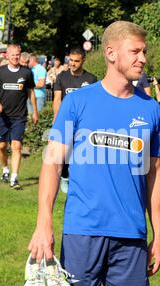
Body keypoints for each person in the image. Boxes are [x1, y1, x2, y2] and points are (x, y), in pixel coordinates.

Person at [27, 21, 160, 286]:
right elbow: (52, 164)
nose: (143, 59)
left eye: (144, 52)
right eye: (135, 51)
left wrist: (159, 233)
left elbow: (155, 174)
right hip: (83, 231)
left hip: (131, 234)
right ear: (111, 53)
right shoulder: (77, 103)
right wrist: (43, 224)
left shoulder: (150, 108)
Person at [0, 44, 39, 190]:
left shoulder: (26, 73)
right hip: (2, 115)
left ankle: (14, 178)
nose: (15, 57)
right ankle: (5, 170)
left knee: (16, 146)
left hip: (19, 116)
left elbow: (31, 93)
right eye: (13, 55)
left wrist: (34, 111)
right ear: (7, 56)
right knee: (2, 146)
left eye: (17, 55)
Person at [52, 47, 97, 193]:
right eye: (70, 60)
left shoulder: (91, 79)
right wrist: (56, 118)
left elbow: (93, 103)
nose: (73, 63)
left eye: (76, 61)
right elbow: (57, 99)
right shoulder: (62, 77)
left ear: (83, 61)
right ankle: (65, 176)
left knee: (82, 152)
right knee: (65, 151)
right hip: (66, 121)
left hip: (84, 122)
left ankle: (81, 179)